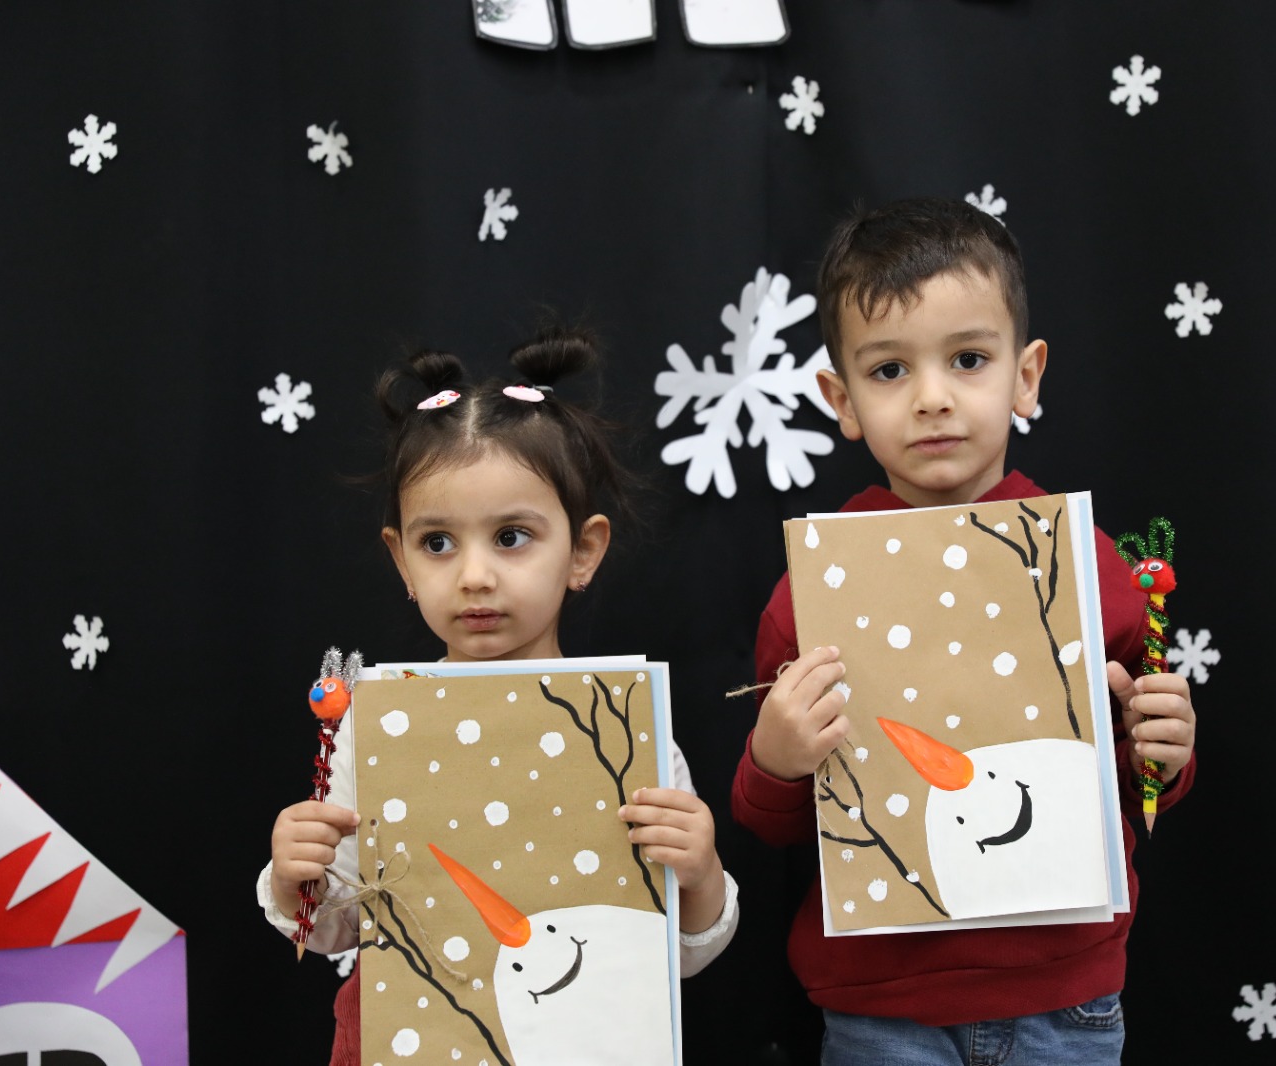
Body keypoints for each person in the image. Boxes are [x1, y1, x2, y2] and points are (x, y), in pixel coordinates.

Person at [731, 197, 1197, 1065]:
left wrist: (1163, 752)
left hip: (1067, 998)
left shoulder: (1087, 565)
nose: (933, 398)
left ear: (1026, 376)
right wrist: (776, 758)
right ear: (840, 399)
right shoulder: (815, 588)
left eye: (969, 359)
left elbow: (1141, 784)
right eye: (889, 370)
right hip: (881, 1012)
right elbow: (780, 820)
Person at [257, 327, 740, 1064]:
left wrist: (699, 876)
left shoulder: (627, 729)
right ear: (401, 560)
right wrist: (298, 877)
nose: (475, 576)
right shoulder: (379, 726)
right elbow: (336, 928)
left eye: (512, 537)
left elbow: (675, 956)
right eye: (438, 543)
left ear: (583, 551)